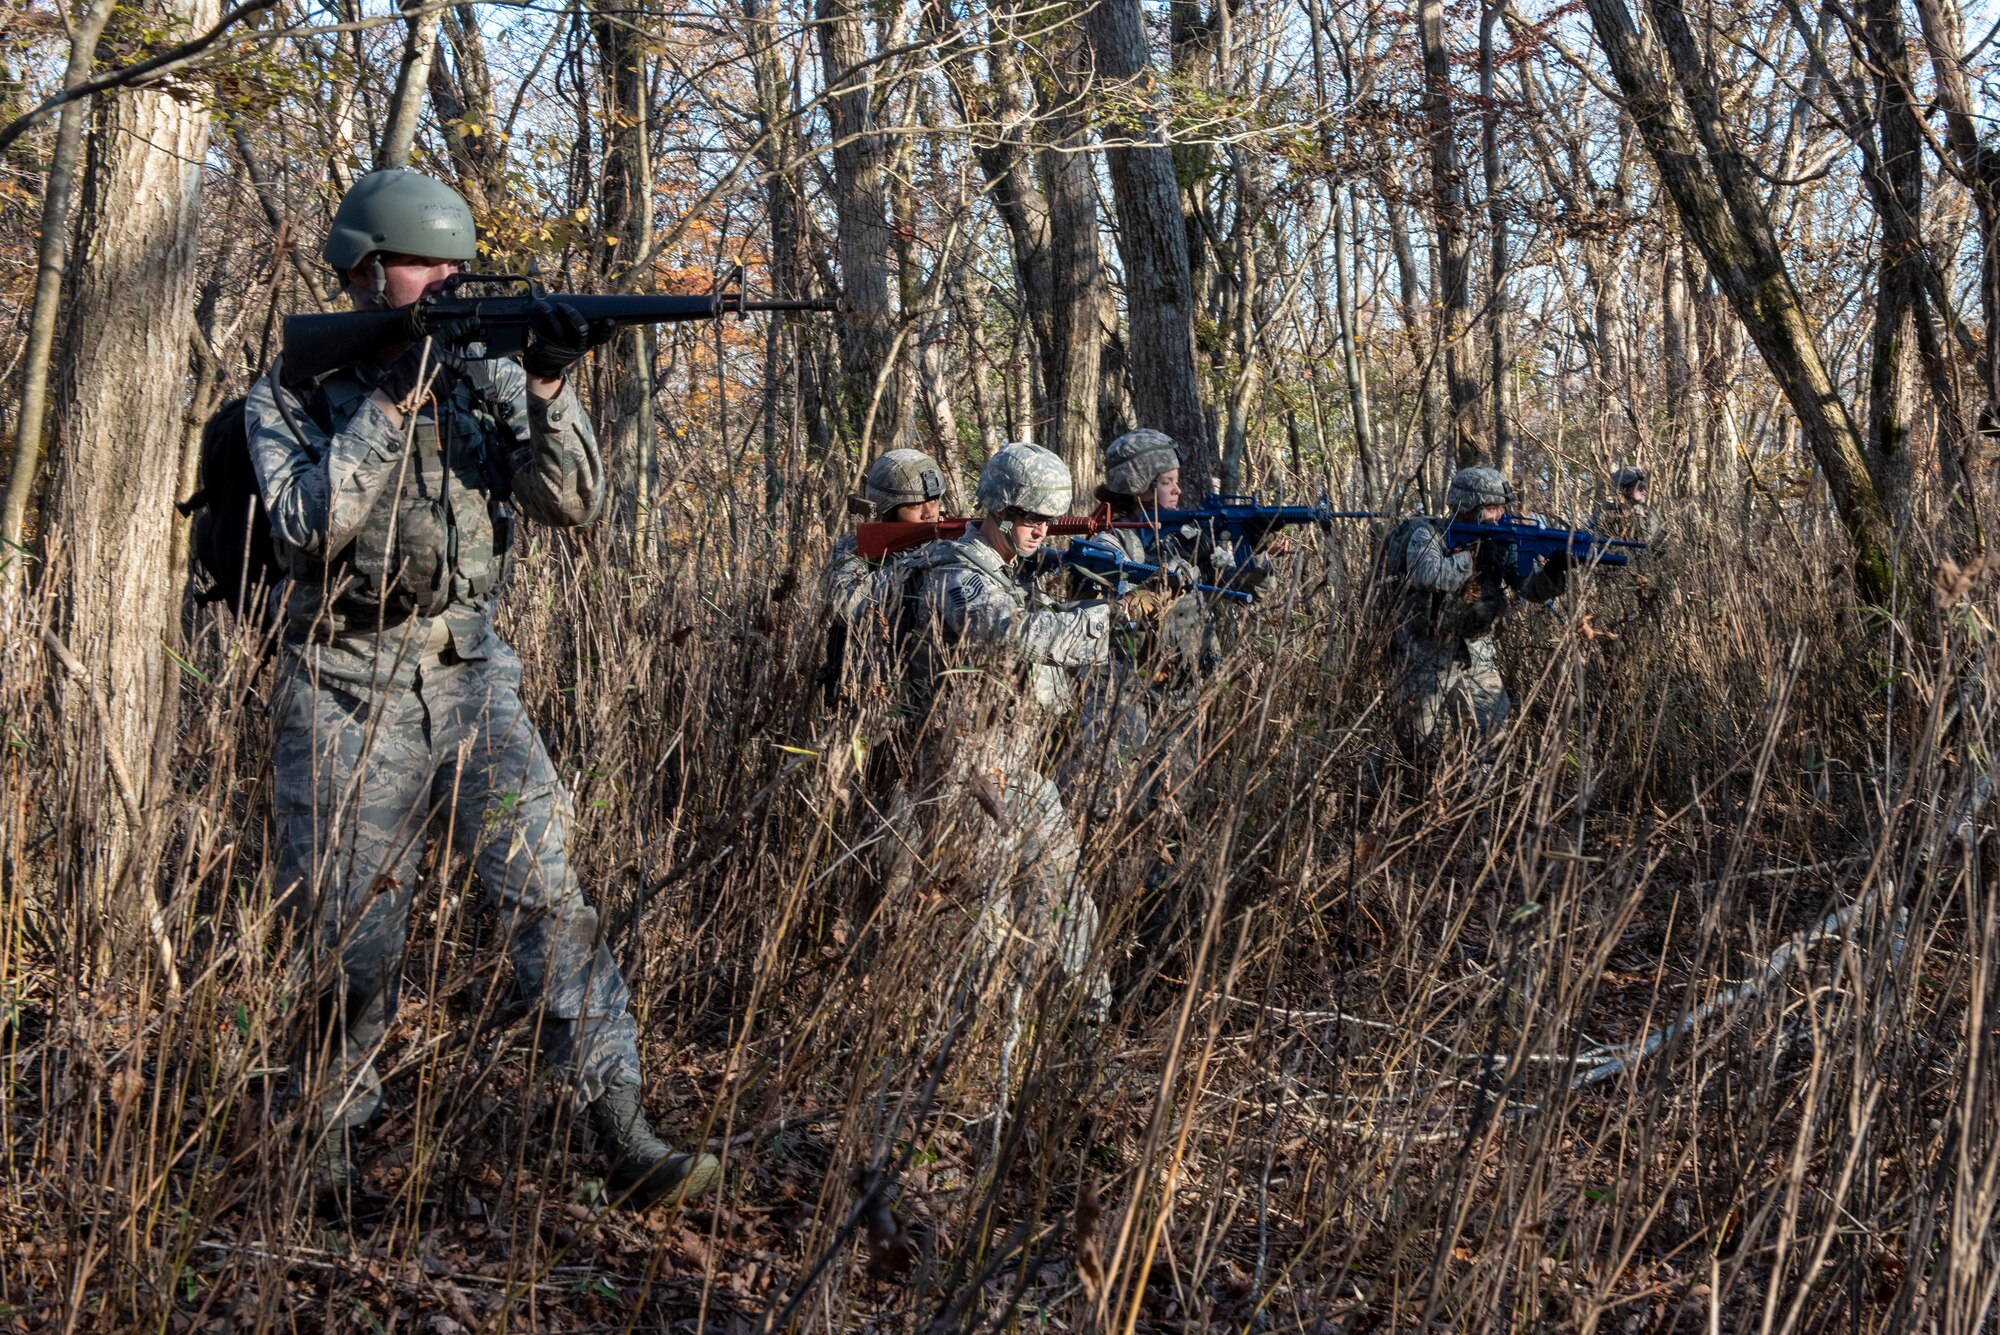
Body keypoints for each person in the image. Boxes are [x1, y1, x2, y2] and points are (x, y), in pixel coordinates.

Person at [246, 169, 717, 1212]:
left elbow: (573, 504)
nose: (452, 278)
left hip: (471, 684)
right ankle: (325, 1139)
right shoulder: (288, 392)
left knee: (548, 898)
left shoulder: (484, 375)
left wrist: (548, 386)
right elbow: (302, 527)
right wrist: (387, 401)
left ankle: (619, 1122)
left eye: (460, 262)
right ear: (366, 273)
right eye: (428, 262)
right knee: (348, 937)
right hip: (340, 687)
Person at [906, 443, 1118, 1019]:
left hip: (1021, 766)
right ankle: (974, 1049)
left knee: (1066, 897)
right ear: (997, 511)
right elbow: (1014, 634)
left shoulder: (1008, 575)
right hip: (966, 772)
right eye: (1029, 518)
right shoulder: (954, 575)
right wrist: (1109, 618)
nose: (1041, 530)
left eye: (1047, 519)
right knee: (982, 919)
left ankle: (1085, 1026)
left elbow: (1046, 622)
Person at [1387, 465, 1569, 750]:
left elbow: (1531, 588)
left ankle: (1482, 787)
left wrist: (1554, 571)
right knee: (1419, 747)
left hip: (1477, 654)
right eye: (1493, 507)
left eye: (1501, 507)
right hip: (1425, 656)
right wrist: (1470, 556)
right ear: (1468, 505)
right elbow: (1428, 574)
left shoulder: (1501, 540)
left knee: (1494, 738)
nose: (1500, 515)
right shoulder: (1428, 534)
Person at [820, 448, 948, 705]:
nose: (928, 513)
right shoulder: (853, 549)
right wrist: (910, 569)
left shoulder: (949, 539)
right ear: (887, 509)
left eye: (933, 500)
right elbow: (850, 604)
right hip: (873, 690)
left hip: (933, 689)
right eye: (914, 505)